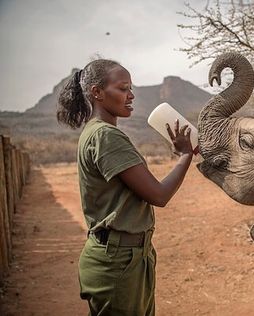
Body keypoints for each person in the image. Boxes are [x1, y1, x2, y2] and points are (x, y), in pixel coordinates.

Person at [56, 59, 197, 315]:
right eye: (123, 89)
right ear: (97, 92)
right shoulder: (105, 136)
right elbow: (159, 195)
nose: (131, 95)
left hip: (126, 257)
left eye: (131, 88)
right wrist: (186, 155)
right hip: (118, 262)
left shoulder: (98, 132)